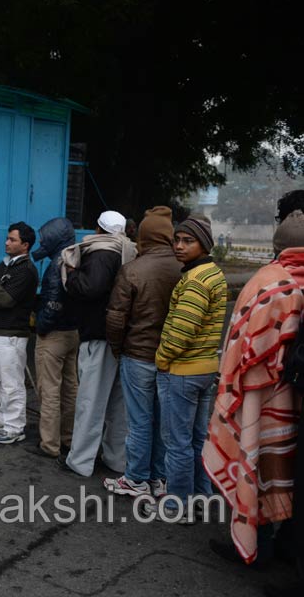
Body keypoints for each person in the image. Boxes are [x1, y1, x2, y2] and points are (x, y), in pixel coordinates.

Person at [204, 211, 304, 563]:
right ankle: (285, 547)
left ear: (278, 247)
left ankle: (256, 544)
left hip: (261, 399)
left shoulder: (269, 283)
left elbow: (243, 347)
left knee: (254, 463)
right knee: (287, 472)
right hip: (292, 401)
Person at [150, 214, 226, 520]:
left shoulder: (195, 281)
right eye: (177, 240)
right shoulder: (212, 273)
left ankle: (176, 504)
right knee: (196, 439)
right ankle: (202, 497)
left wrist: (162, 360)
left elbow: (182, 330)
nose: (179, 246)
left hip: (183, 371)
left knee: (177, 442)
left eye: (188, 241)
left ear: (203, 244)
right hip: (205, 369)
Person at [103, 206, 181, 498]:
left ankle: (136, 477)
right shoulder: (184, 268)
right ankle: (159, 478)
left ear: (144, 236)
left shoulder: (133, 269)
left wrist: (116, 347)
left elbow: (116, 317)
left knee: (138, 421)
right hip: (172, 358)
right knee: (163, 422)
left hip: (137, 355)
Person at [58, 210, 137, 477]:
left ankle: (79, 461)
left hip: (98, 334)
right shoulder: (128, 251)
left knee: (90, 401)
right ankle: (116, 459)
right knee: (118, 403)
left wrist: (72, 274)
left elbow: (91, 288)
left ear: (98, 228)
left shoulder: (101, 252)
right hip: (121, 336)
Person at [0, 222, 39, 444]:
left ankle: (15, 427)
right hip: (0, 330)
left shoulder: (26, 271)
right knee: (1, 380)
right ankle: (5, 418)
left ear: (25, 245)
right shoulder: (7, 265)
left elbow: (5, 300)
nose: (6, 242)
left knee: (12, 381)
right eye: (7, 238)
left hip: (13, 333)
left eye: (12, 240)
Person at [27, 217, 79, 459]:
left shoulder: (56, 264)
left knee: (49, 391)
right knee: (70, 390)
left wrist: (41, 326)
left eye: (44, 237)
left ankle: (49, 445)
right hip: (73, 332)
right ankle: (68, 439)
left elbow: (52, 302)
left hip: (54, 335)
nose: (42, 242)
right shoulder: (76, 256)